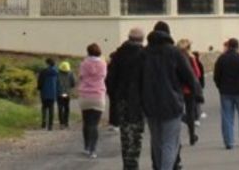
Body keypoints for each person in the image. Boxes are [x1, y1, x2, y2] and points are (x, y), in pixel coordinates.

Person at [141, 21, 201, 170]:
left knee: (156, 141)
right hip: (172, 103)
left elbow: (136, 79)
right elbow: (189, 76)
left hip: (149, 104)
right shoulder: (174, 52)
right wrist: (197, 93)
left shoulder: (144, 53)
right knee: (170, 142)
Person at [107, 26, 146, 170]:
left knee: (125, 136)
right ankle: (133, 164)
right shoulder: (143, 55)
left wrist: (115, 96)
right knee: (136, 136)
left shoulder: (118, 55)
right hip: (137, 101)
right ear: (141, 40)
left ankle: (127, 165)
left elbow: (110, 80)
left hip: (121, 100)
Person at [213, 37, 239, 149]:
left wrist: (220, 87)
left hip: (226, 91)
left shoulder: (221, 59)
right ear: (237, 47)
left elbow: (216, 76)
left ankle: (229, 141)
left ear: (228, 46)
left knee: (227, 116)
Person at [79, 42, 108, 158]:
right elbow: (104, 76)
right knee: (94, 124)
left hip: (85, 95)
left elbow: (81, 76)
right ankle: (93, 149)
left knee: (86, 122)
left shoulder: (84, 63)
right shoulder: (103, 63)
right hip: (98, 95)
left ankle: (86, 146)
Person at [177, 39, 204, 146]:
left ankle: (177, 138)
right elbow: (197, 74)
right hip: (189, 88)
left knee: (177, 111)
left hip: (178, 88)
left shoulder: (174, 57)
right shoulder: (191, 58)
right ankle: (192, 136)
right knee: (190, 111)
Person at [37, 57, 59, 130]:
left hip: (44, 92)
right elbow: (58, 83)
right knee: (51, 108)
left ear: (48, 63)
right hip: (53, 92)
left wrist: (39, 88)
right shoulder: (56, 72)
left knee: (44, 107)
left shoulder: (43, 71)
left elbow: (40, 82)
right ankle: (50, 125)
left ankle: (43, 122)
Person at [57, 60, 76, 127]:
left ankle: (61, 123)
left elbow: (55, 83)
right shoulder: (71, 73)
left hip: (59, 93)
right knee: (66, 107)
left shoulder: (58, 73)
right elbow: (73, 83)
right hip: (67, 93)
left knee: (60, 108)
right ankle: (66, 122)